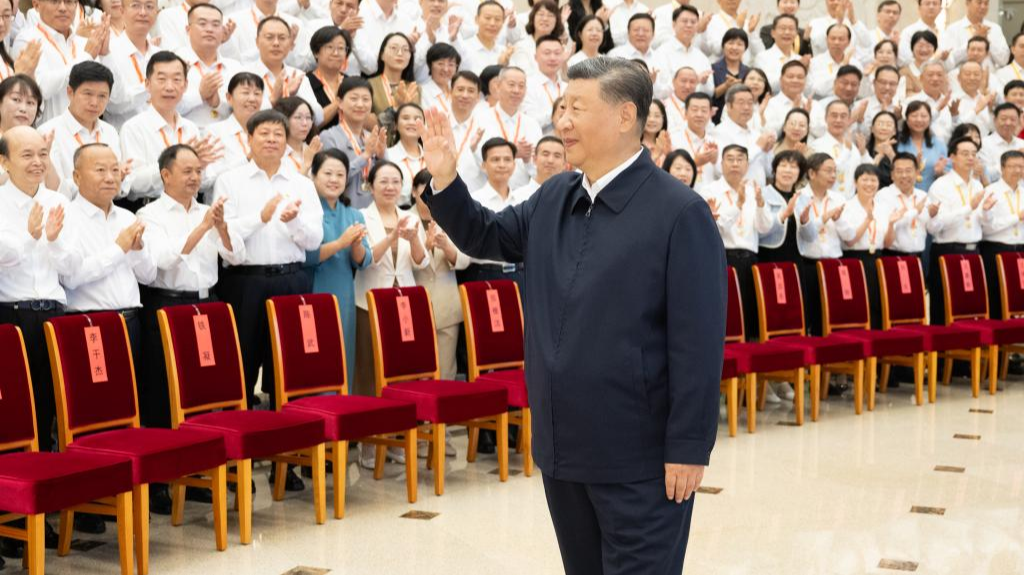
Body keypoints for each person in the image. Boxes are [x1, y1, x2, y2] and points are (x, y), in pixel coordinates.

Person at [417, 56, 724, 574]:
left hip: (639, 457)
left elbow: (697, 343)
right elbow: (485, 235)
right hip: (564, 445)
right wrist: (445, 181)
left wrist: (689, 447)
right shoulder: (556, 194)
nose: (562, 121)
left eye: (577, 108)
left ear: (625, 117)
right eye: (562, 106)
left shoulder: (679, 213)